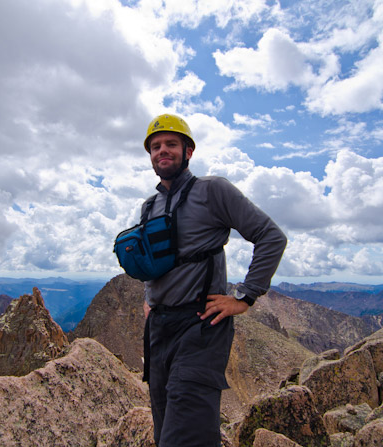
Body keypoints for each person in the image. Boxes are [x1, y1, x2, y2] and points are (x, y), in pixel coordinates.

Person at [138, 113, 287, 446]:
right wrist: (149, 301)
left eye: (171, 144)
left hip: (200, 326)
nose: (163, 151)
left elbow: (270, 236)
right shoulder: (149, 206)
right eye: (156, 146)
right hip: (159, 331)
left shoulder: (213, 190)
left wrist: (245, 297)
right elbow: (152, 263)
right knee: (164, 432)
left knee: (186, 436)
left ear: (188, 151)